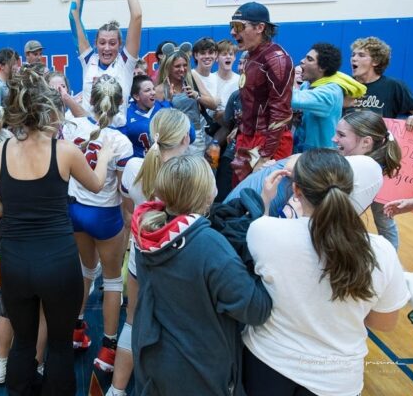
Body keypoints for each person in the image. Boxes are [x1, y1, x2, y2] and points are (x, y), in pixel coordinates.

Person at [0, 67, 112, 395]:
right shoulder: (64, 151)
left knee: (23, 343)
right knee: (60, 344)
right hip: (57, 263)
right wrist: (105, 157)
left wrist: (20, 204)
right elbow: (95, 185)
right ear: (51, 113)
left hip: (15, 263)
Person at [243, 150, 409, 396]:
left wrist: (265, 203)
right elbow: (384, 323)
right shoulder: (381, 250)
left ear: (296, 190)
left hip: (267, 363)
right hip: (337, 381)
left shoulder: (263, 231)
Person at [131, 155, 272, 396]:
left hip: (154, 357)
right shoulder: (209, 245)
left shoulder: (146, 232)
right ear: (208, 193)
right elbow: (256, 309)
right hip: (199, 370)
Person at [109, 108, 193, 396]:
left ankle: (116, 391)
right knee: (176, 330)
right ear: (185, 138)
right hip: (179, 263)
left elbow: (129, 204)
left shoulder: (134, 167)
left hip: (140, 256)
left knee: (132, 322)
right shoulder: (195, 172)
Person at [61, 75, 133, 372]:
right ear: (120, 104)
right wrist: (128, 226)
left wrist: (68, 100)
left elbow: (82, 120)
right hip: (104, 215)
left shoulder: (71, 127)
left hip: (74, 210)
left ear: (90, 100)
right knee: (113, 281)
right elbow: (123, 193)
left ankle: (76, 332)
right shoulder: (121, 142)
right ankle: (109, 349)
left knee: (86, 271)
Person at [70, 0, 142, 127]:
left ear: (120, 45)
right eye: (102, 42)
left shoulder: (125, 63)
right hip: (87, 133)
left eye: (112, 43)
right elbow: (73, 15)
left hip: (116, 134)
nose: (107, 48)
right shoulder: (89, 60)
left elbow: (137, 16)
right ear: (95, 43)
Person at [229, 2, 294, 183]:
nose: (233, 32)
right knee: (239, 197)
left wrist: (265, 156)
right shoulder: (251, 56)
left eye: (239, 27)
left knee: (260, 200)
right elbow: (252, 100)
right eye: (232, 26)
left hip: (269, 142)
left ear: (260, 27)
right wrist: (240, 128)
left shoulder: (276, 59)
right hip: (248, 137)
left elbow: (281, 113)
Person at [333, 110, 403, 249]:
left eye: (341, 135)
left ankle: (390, 259)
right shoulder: (358, 160)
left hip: (333, 234)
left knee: (384, 221)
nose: (334, 139)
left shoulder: (362, 168)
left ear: (366, 142)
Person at [291, 43, 354, 152]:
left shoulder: (331, 92)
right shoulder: (307, 84)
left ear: (323, 68)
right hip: (301, 150)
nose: (302, 61)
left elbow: (294, 99)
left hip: (321, 158)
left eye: (309, 59)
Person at [155, 49, 215, 156]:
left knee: (195, 172)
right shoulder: (160, 90)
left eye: (185, 65)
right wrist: (169, 100)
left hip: (196, 137)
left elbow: (213, 105)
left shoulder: (192, 79)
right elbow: (157, 120)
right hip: (173, 138)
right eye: (177, 66)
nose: (182, 69)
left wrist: (196, 96)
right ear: (168, 68)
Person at [121, 75, 170, 158]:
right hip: (138, 164)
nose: (153, 93)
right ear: (136, 96)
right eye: (147, 90)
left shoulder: (164, 107)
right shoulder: (126, 114)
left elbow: (191, 134)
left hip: (163, 163)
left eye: (153, 89)